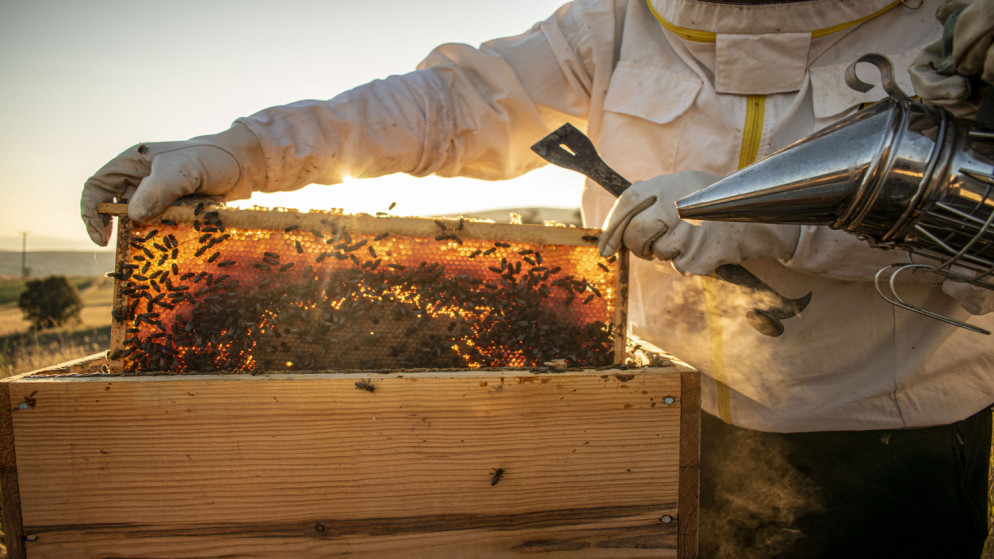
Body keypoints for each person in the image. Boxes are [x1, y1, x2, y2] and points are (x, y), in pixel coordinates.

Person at [81, 0, 994, 556]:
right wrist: (237, 152)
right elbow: (446, 105)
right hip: (665, 425)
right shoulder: (620, 25)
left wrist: (768, 215)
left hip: (892, 440)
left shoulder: (954, 30)